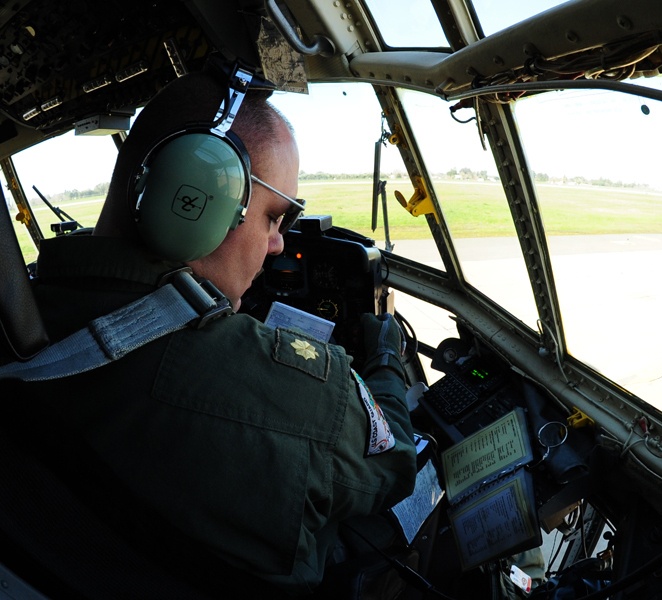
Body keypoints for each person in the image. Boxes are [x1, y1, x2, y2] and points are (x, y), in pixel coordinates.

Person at [8, 61, 417, 595]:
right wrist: (384, 358)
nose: (277, 244)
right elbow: (394, 458)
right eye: (274, 217)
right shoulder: (296, 393)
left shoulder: (18, 322)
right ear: (195, 200)